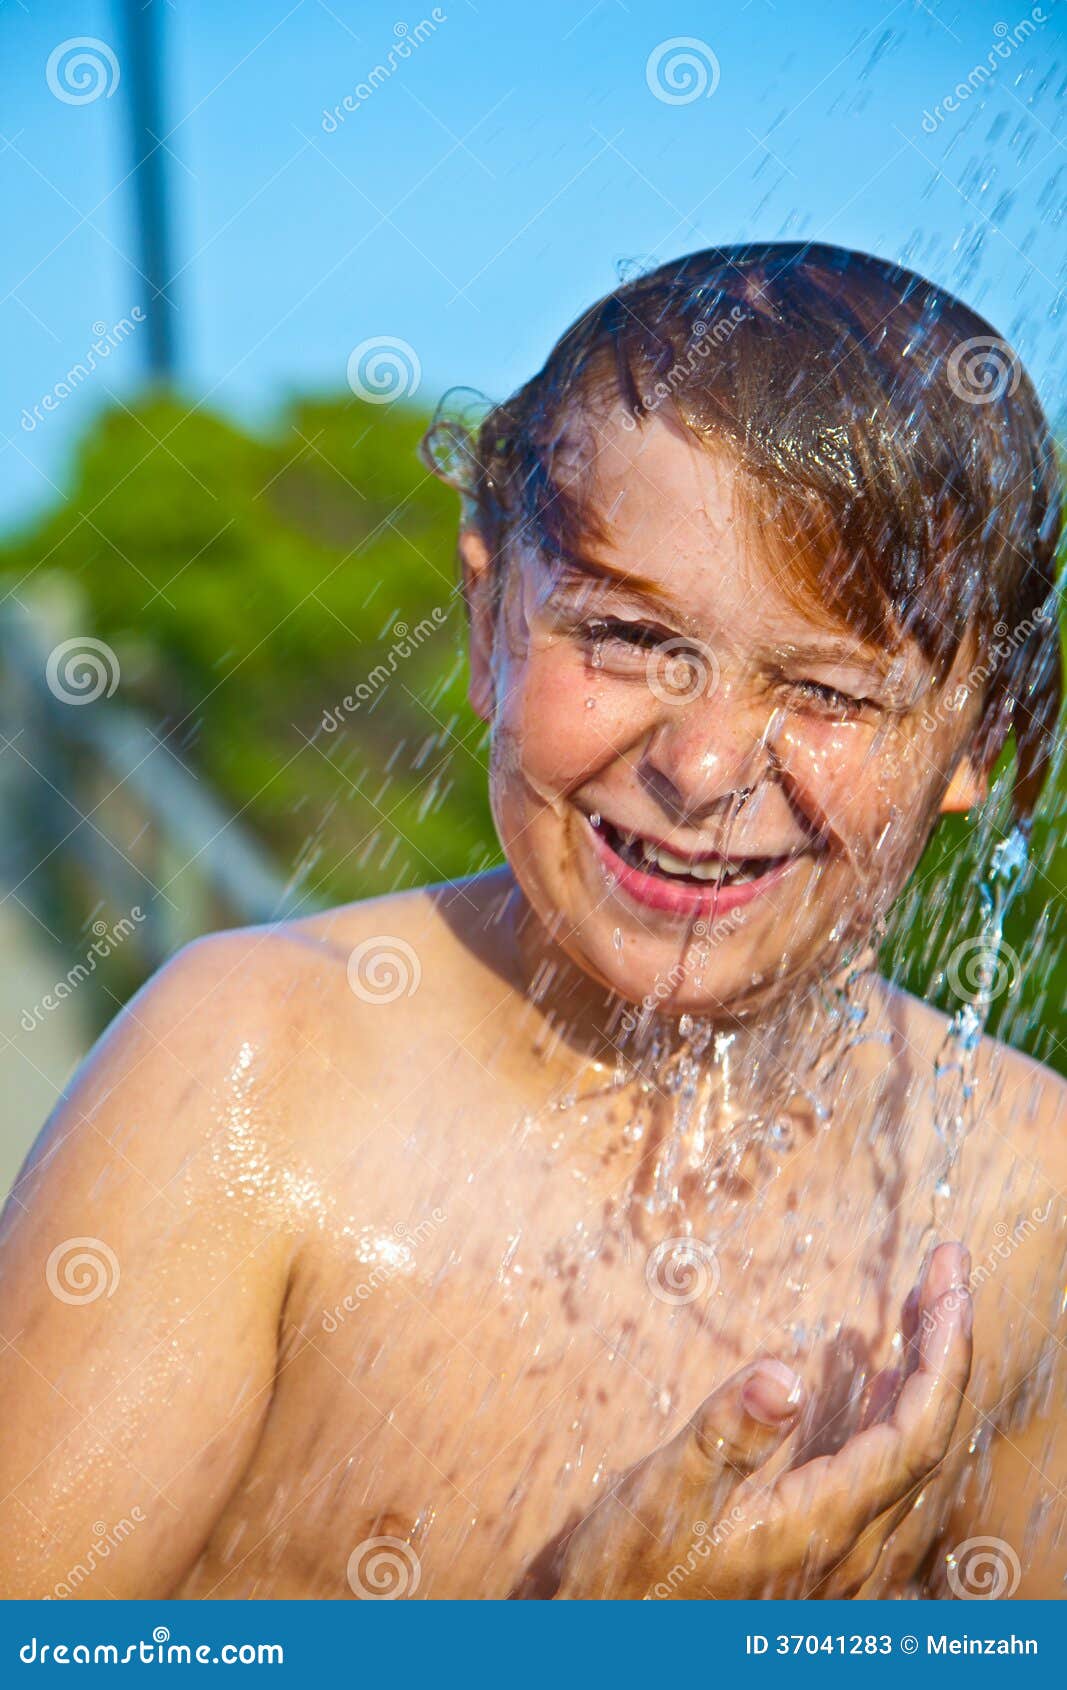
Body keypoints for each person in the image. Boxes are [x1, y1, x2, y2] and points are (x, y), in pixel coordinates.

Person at [1, 243, 1064, 1601]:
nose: (705, 762)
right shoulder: (252, 1079)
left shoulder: (1027, 1208)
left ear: (980, 738)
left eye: (833, 694)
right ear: (488, 613)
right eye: (623, 637)